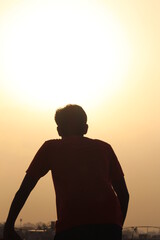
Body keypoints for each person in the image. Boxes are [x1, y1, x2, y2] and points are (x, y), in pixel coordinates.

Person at [3, 104, 129, 240]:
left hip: (72, 225)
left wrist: (9, 226)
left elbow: (24, 190)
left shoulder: (50, 149)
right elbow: (124, 194)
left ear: (59, 130)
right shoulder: (105, 148)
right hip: (109, 224)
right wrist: (117, 226)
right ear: (86, 128)